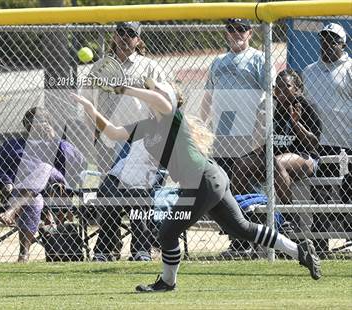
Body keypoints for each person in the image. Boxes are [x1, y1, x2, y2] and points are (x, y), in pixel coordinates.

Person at [70, 79, 322, 292]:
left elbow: (164, 102)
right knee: (242, 228)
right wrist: (91, 108)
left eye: (157, 89)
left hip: (204, 180)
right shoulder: (147, 126)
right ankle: (300, 251)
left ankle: (168, 282)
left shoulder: (172, 117)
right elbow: (113, 132)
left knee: (167, 232)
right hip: (208, 180)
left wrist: (126, 89)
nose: (153, 93)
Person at [82, 22, 165, 262]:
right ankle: (109, 247)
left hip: (141, 141)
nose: (125, 38)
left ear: (139, 40)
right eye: (121, 33)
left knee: (138, 192)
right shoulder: (101, 68)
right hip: (109, 142)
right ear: (114, 36)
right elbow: (88, 105)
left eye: (131, 34)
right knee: (108, 193)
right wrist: (94, 135)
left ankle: (140, 248)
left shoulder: (148, 67)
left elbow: (165, 103)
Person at [200, 18, 274, 254]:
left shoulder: (259, 58)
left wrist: (260, 129)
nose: (235, 34)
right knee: (224, 191)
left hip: (248, 133)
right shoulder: (218, 62)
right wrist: (201, 126)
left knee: (244, 189)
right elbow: (207, 97)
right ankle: (238, 242)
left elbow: (269, 95)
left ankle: (253, 240)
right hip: (222, 134)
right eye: (231, 29)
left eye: (241, 29)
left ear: (250, 33)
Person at [0, 107, 87, 262]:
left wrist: (55, 140)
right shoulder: (11, 145)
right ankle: (24, 254)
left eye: (41, 121)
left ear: (49, 123)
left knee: (45, 167)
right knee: (34, 200)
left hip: (54, 189)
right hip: (20, 192)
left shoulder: (55, 143)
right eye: (32, 121)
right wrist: (6, 184)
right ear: (25, 124)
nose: (36, 124)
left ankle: (11, 212)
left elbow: (79, 162)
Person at [232, 69, 322, 204]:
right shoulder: (269, 106)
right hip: (271, 157)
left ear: (296, 89)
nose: (281, 90)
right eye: (278, 86)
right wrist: (260, 127)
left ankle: (289, 217)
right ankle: (245, 209)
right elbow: (256, 144)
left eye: (287, 86)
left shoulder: (306, 105)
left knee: (275, 163)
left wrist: (296, 124)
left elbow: (313, 144)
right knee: (241, 164)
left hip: (304, 157)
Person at [302, 23, 351, 161]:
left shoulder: (350, 69)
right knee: (315, 183)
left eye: (333, 41)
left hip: (344, 143)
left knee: (342, 182)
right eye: (324, 40)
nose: (327, 45)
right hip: (314, 144)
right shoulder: (308, 71)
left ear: (343, 46)